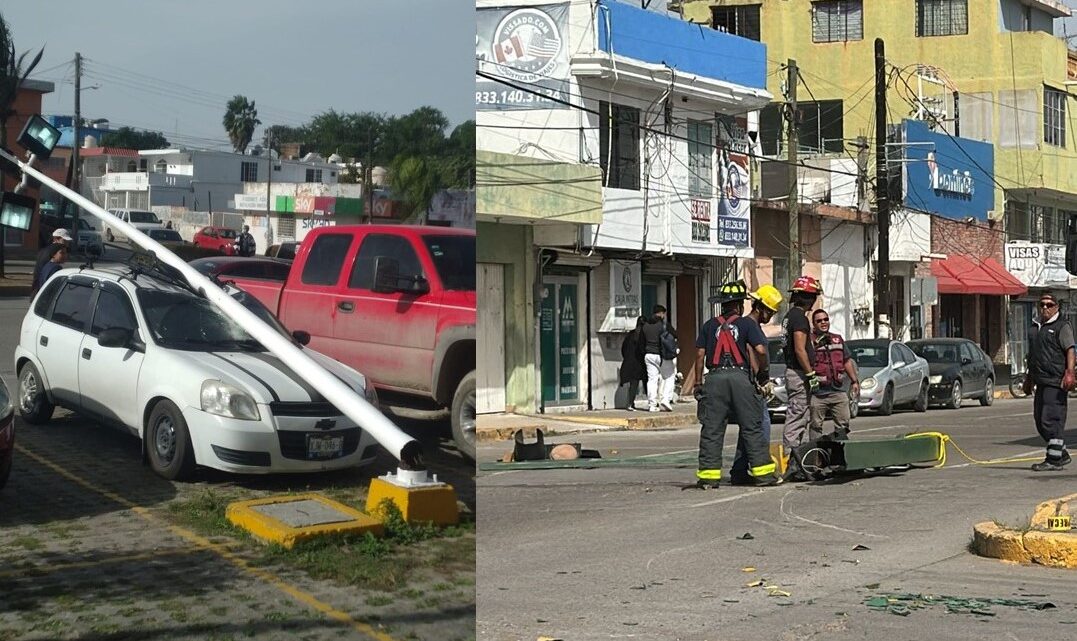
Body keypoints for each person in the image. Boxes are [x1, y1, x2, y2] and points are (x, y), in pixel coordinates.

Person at [692, 280, 780, 488]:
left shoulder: (709, 325)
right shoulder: (747, 324)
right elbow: (760, 350)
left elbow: (699, 355)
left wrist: (697, 383)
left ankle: (708, 477)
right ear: (740, 305)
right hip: (740, 378)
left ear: (722, 304)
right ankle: (764, 476)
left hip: (714, 378)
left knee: (712, 429)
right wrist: (763, 375)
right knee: (751, 427)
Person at [730, 284, 783, 485]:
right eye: (769, 311)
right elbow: (756, 352)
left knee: (749, 429)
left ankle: (739, 470)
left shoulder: (744, 324)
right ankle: (762, 471)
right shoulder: (750, 325)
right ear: (759, 307)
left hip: (745, 382)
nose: (770, 316)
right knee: (761, 426)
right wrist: (761, 377)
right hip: (752, 383)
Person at [1023, 293, 1075, 471]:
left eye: (1049, 304)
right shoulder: (1035, 327)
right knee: (1039, 420)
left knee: (1051, 420)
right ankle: (1061, 453)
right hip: (1040, 379)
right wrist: (1029, 378)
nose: (1045, 308)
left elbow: (1070, 350)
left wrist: (1069, 373)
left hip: (1056, 380)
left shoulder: (1062, 326)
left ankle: (1053, 460)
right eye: (1042, 304)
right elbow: (1032, 355)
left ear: (1056, 307)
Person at [781, 275, 823, 452]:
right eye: (813, 297)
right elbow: (799, 349)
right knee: (797, 415)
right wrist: (810, 374)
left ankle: (800, 456)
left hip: (794, 372)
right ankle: (790, 455)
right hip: (798, 374)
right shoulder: (799, 319)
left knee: (803, 415)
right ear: (808, 298)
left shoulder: (790, 316)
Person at [808, 308, 859, 441]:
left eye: (826, 319)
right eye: (819, 321)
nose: (823, 323)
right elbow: (803, 359)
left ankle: (839, 453)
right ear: (814, 324)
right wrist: (816, 344)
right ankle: (817, 456)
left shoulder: (837, 339)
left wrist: (854, 381)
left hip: (838, 391)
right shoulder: (809, 341)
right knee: (815, 426)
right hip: (817, 393)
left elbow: (846, 361)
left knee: (843, 423)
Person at [641, 305, 677, 412]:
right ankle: (666, 399)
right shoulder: (664, 325)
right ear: (661, 313)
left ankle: (652, 405)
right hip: (661, 355)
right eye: (664, 313)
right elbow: (675, 335)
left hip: (648, 355)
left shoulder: (646, 325)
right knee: (669, 376)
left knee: (652, 380)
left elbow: (641, 342)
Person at [619, 317, 647, 411]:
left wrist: (627, 357)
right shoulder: (643, 335)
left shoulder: (630, 334)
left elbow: (623, 348)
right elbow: (643, 349)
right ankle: (652, 402)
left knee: (633, 384)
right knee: (646, 382)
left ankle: (630, 403)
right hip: (639, 362)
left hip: (630, 361)